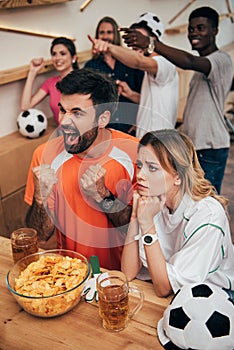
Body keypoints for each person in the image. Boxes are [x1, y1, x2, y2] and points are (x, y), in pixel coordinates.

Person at [24, 68, 139, 270]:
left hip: (122, 277)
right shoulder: (44, 154)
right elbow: (40, 236)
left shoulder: (136, 154)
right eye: (62, 110)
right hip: (69, 273)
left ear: (102, 119)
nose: (64, 121)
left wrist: (104, 197)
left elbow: (140, 230)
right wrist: (40, 199)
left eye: (77, 113)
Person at [122, 7, 233, 194]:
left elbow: (188, 61)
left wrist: (151, 43)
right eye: (191, 29)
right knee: (192, 200)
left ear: (215, 31)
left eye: (201, 28)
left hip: (211, 147)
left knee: (208, 201)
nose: (194, 33)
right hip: (196, 146)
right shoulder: (202, 69)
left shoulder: (221, 60)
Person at [121, 129, 234, 300]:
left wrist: (147, 225)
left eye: (152, 168)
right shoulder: (153, 199)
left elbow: (164, 288)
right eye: (139, 165)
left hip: (216, 296)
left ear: (178, 177)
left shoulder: (208, 216)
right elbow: (127, 273)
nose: (140, 175)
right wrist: (135, 218)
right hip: (171, 290)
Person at [88, 12, 178, 138]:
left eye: (139, 39)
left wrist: (108, 47)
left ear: (153, 40)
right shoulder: (149, 70)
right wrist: (130, 94)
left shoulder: (164, 64)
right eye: (132, 40)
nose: (134, 45)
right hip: (141, 140)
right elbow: (147, 104)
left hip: (158, 142)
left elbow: (138, 61)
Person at [85, 16, 144, 135]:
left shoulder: (130, 63)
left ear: (116, 35)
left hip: (132, 128)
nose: (105, 36)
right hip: (104, 132)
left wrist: (140, 122)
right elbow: (88, 103)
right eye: (102, 32)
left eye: (109, 32)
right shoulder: (90, 67)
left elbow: (145, 98)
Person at [21, 37, 79, 126]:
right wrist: (32, 72)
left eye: (62, 54)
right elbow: (25, 106)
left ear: (73, 58)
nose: (57, 58)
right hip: (63, 134)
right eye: (54, 54)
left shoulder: (83, 80)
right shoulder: (50, 83)